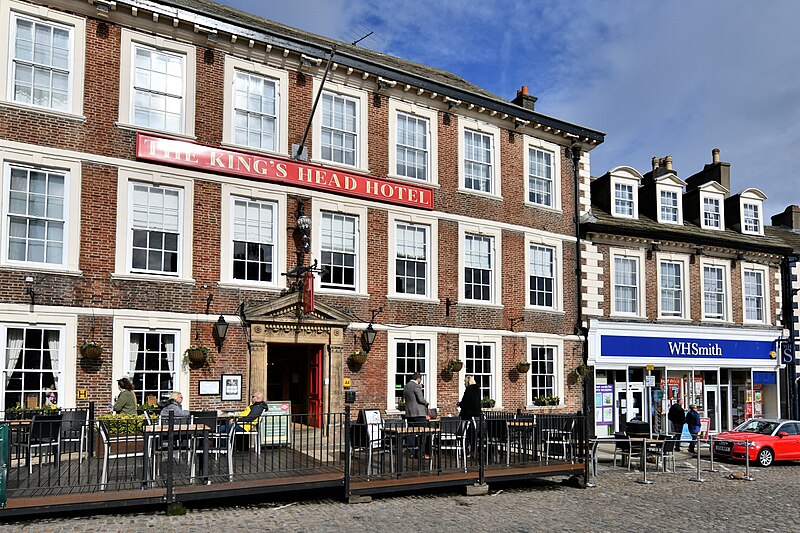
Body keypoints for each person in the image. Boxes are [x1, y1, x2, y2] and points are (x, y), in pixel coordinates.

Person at [403, 372, 430, 458]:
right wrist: (426, 403)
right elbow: (420, 399)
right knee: (423, 433)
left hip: (409, 413)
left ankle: (410, 452)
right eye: (420, 379)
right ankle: (420, 453)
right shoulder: (416, 386)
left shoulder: (406, 386)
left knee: (411, 433)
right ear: (418, 378)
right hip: (419, 414)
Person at [457, 375, 481, 457]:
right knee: (474, 434)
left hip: (467, 415)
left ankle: (466, 450)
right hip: (476, 415)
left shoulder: (469, 390)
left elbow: (465, 402)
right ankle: (473, 451)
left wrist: (459, 404)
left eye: (465, 382)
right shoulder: (477, 390)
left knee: (465, 434)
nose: (464, 383)